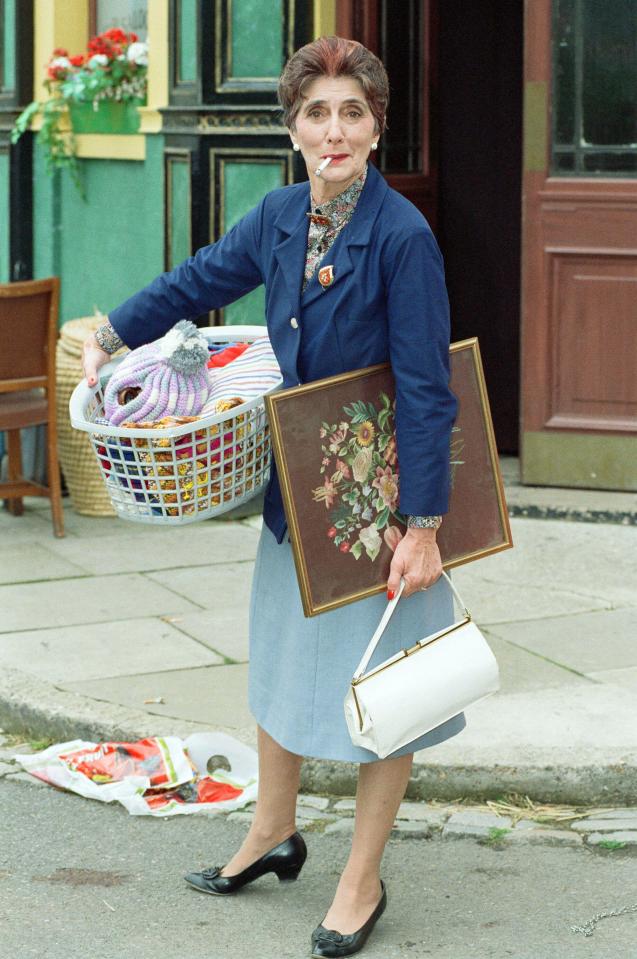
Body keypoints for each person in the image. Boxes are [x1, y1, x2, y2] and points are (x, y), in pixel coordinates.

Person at [82, 35, 464, 959]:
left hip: (376, 502)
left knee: (388, 688)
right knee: (277, 660)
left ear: (375, 127)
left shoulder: (402, 237)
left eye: (352, 112)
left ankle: (361, 877)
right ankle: (272, 832)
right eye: (315, 113)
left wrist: (422, 525)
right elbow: (200, 279)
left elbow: (426, 389)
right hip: (301, 489)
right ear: (292, 128)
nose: (333, 131)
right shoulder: (280, 214)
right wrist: (109, 330)